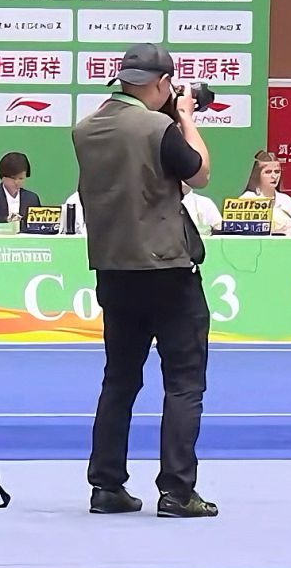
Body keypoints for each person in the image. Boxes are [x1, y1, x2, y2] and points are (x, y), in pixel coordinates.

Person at [70, 43, 218, 519]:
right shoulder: (158, 127)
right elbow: (200, 173)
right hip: (168, 270)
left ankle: (106, 485)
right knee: (184, 382)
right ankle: (177, 491)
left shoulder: (85, 128)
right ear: (163, 83)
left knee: (119, 381)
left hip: (113, 270)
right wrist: (186, 117)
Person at [241, 150, 291, 235]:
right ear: (257, 174)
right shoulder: (247, 200)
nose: (274, 176)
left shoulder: (287, 201)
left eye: (277, 171)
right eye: (268, 172)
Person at [0, 152, 43, 228]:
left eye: (21, 178)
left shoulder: (32, 198)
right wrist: (7, 220)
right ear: (3, 178)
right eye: (13, 178)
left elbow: (39, 224)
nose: (17, 182)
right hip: (0, 234)